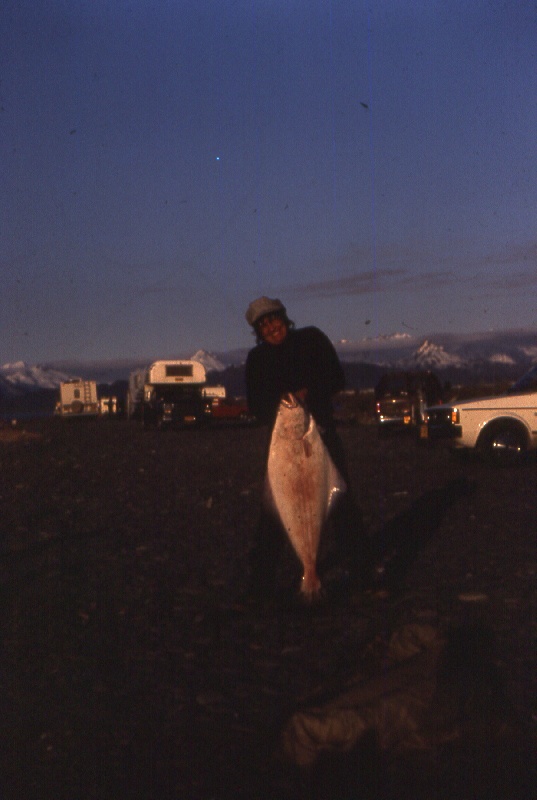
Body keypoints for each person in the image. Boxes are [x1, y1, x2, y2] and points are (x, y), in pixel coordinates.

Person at [244, 296, 370, 601]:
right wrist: (283, 406)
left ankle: (364, 579)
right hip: (283, 447)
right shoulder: (256, 360)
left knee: (340, 505)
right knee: (274, 514)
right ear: (258, 332)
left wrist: (307, 393)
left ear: (284, 317)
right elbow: (256, 406)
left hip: (321, 437)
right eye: (263, 325)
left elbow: (336, 378)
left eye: (273, 319)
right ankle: (261, 587)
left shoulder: (312, 339)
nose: (271, 328)